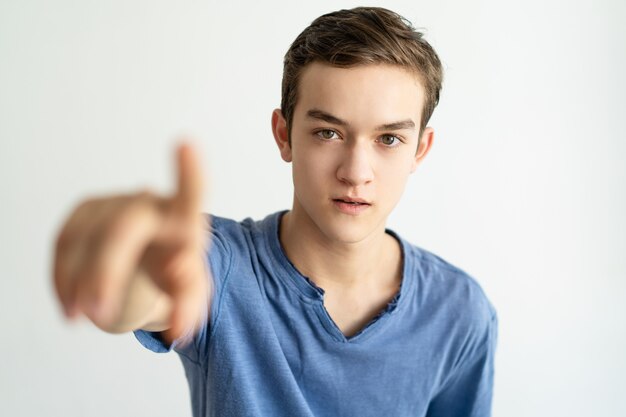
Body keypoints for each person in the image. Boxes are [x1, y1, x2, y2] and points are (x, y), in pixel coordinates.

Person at [53, 6, 497, 417]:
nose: (356, 172)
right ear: (284, 135)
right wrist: (123, 263)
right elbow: (147, 293)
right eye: (328, 132)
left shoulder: (460, 312)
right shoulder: (220, 266)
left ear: (420, 149)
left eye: (388, 139)